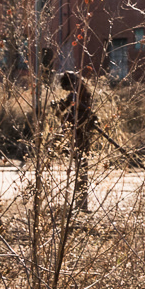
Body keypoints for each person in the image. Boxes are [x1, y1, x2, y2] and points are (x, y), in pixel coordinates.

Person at [56, 71, 95, 210]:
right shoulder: (82, 92)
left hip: (80, 134)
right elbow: (63, 108)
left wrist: (60, 108)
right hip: (81, 133)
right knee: (81, 166)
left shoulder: (78, 94)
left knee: (81, 166)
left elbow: (64, 109)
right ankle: (81, 203)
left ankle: (81, 204)